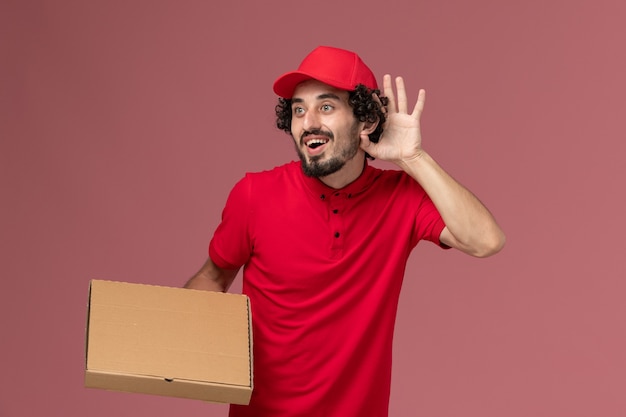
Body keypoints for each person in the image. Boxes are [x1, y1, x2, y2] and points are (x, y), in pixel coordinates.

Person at [184, 46, 505, 417]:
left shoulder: (401, 197)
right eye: (299, 110)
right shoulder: (255, 194)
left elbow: (486, 241)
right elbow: (212, 277)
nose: (308, 123)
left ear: (366, 121)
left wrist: (414, 159)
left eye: (326, 107)